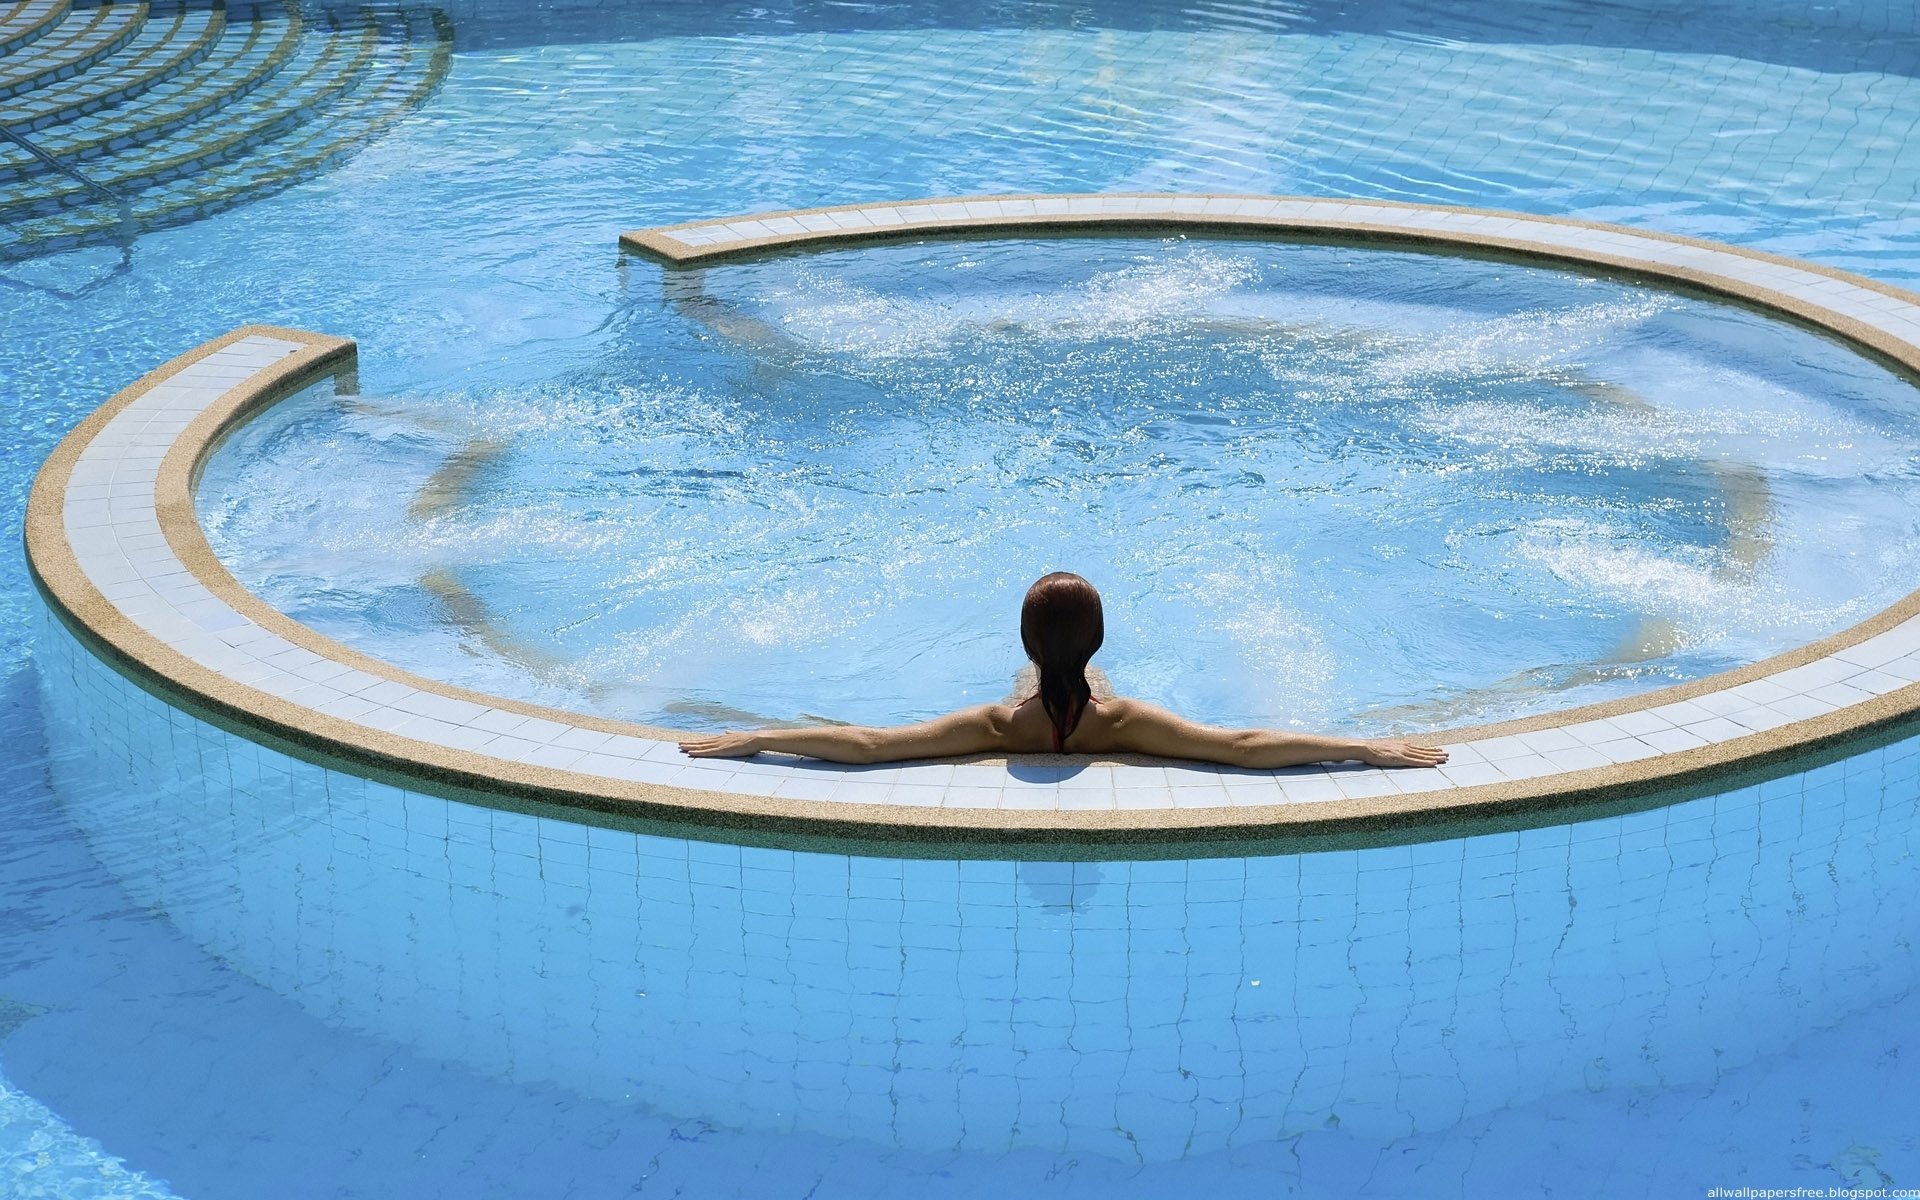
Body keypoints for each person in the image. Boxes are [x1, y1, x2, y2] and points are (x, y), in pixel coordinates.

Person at [678, 571, 1449, 770]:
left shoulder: (995, 724)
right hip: (1082, 701)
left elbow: (874, 746)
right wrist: (1362, 748)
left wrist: (763, 739)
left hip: (1039, 703)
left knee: (1035, 693)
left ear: (1024, 644)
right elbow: (1243, 747)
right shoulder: (1123, 718)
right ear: (1100, 641)